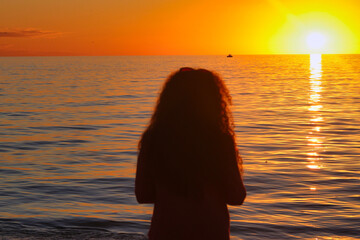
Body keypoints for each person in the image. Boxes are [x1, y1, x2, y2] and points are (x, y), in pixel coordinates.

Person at [135, 67, 246, 240]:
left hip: (166, 233)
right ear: (213, 101)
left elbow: (142, 195)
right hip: (210, 233)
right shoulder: (220, 141)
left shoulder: (153, 140)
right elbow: (236, 196)